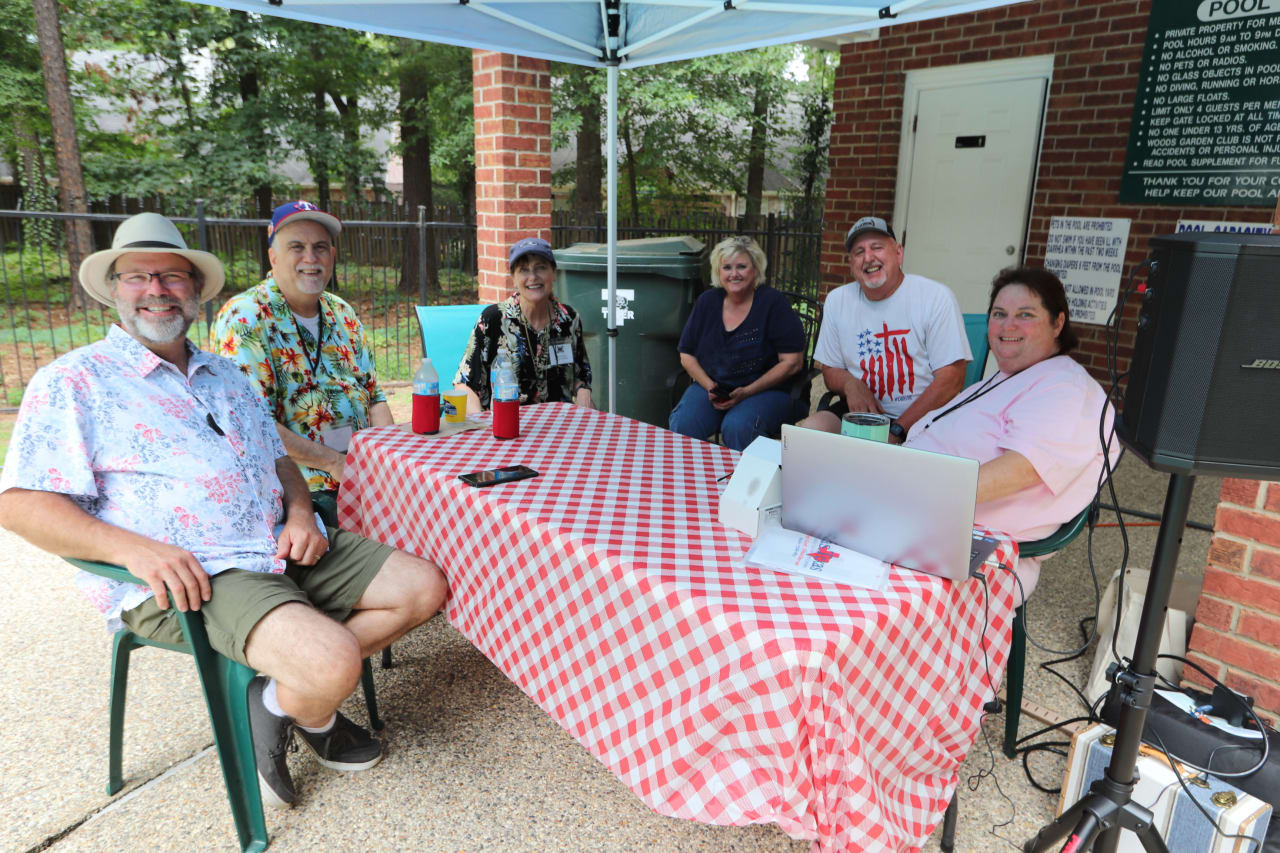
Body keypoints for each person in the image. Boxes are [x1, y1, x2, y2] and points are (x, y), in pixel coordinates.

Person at [0, 212, 448, 809]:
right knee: (332, 659)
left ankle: (278, 699)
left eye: (173, 277)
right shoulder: (75, 381)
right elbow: (21, 502)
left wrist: (296, 513)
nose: (157, 290)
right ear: (113, 289)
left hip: (280, 542)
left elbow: (278, 461)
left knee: (423, 587)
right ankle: (309, 701)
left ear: (195, 290)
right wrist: (134, 549)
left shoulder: (226, 375)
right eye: (138, 277)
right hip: (195, 574)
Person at [904, 266, 1118, 602]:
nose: (1008, 326)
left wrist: (909, 490)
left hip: (970, 548)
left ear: (1057, 323)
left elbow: (1023, 469)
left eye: (1026, 315)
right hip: (919, 520)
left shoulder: (1065, 388)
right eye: (999, 314)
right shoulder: (1012, 375)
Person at [211, 201, 391, 519]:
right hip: (300, 493)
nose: (311, 258)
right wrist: (334, 463)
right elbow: (254, 425)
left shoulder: (342, 312)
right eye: (297, 247)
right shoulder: (246, 318)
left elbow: (375, 397)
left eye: (320, 247)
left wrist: (390, 461)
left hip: (362, 474)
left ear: (332, 256)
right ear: (273, 256)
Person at [800, 216, 970, 443]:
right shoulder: (837, 300)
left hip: (925, 416)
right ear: (851, 264)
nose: (868, 258)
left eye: (877, 247)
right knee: (810, 431)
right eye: (859, 252)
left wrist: (898, 430)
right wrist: (851, 385)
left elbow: (952, 378)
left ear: (898, 253)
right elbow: (830, 369)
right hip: (862, 416)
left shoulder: (935, 297)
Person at [668, 236, 806, 451]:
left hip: (767, 390)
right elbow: (686, 354)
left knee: (738, 426)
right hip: (715, 387)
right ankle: (693, 478)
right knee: (684, 423)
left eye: (742, 266)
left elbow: (792, 362)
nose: (734, 274)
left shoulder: (773, 303)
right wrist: (709, 386)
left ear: (756, 269)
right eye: (727, 267)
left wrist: (747, 391)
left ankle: (747, 482)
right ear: (718, 271)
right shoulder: (707, 302)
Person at [456, 237, 592, 412]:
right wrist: (484, 429)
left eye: (540, 268)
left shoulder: (569, 319)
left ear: (554, 273)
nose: (533, 277)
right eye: (523, 270)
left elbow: (580, 376)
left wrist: (583, 390)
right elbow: (464, 385)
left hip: (559, 426)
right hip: (506, 427)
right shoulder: (493, 320)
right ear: (513, 278)